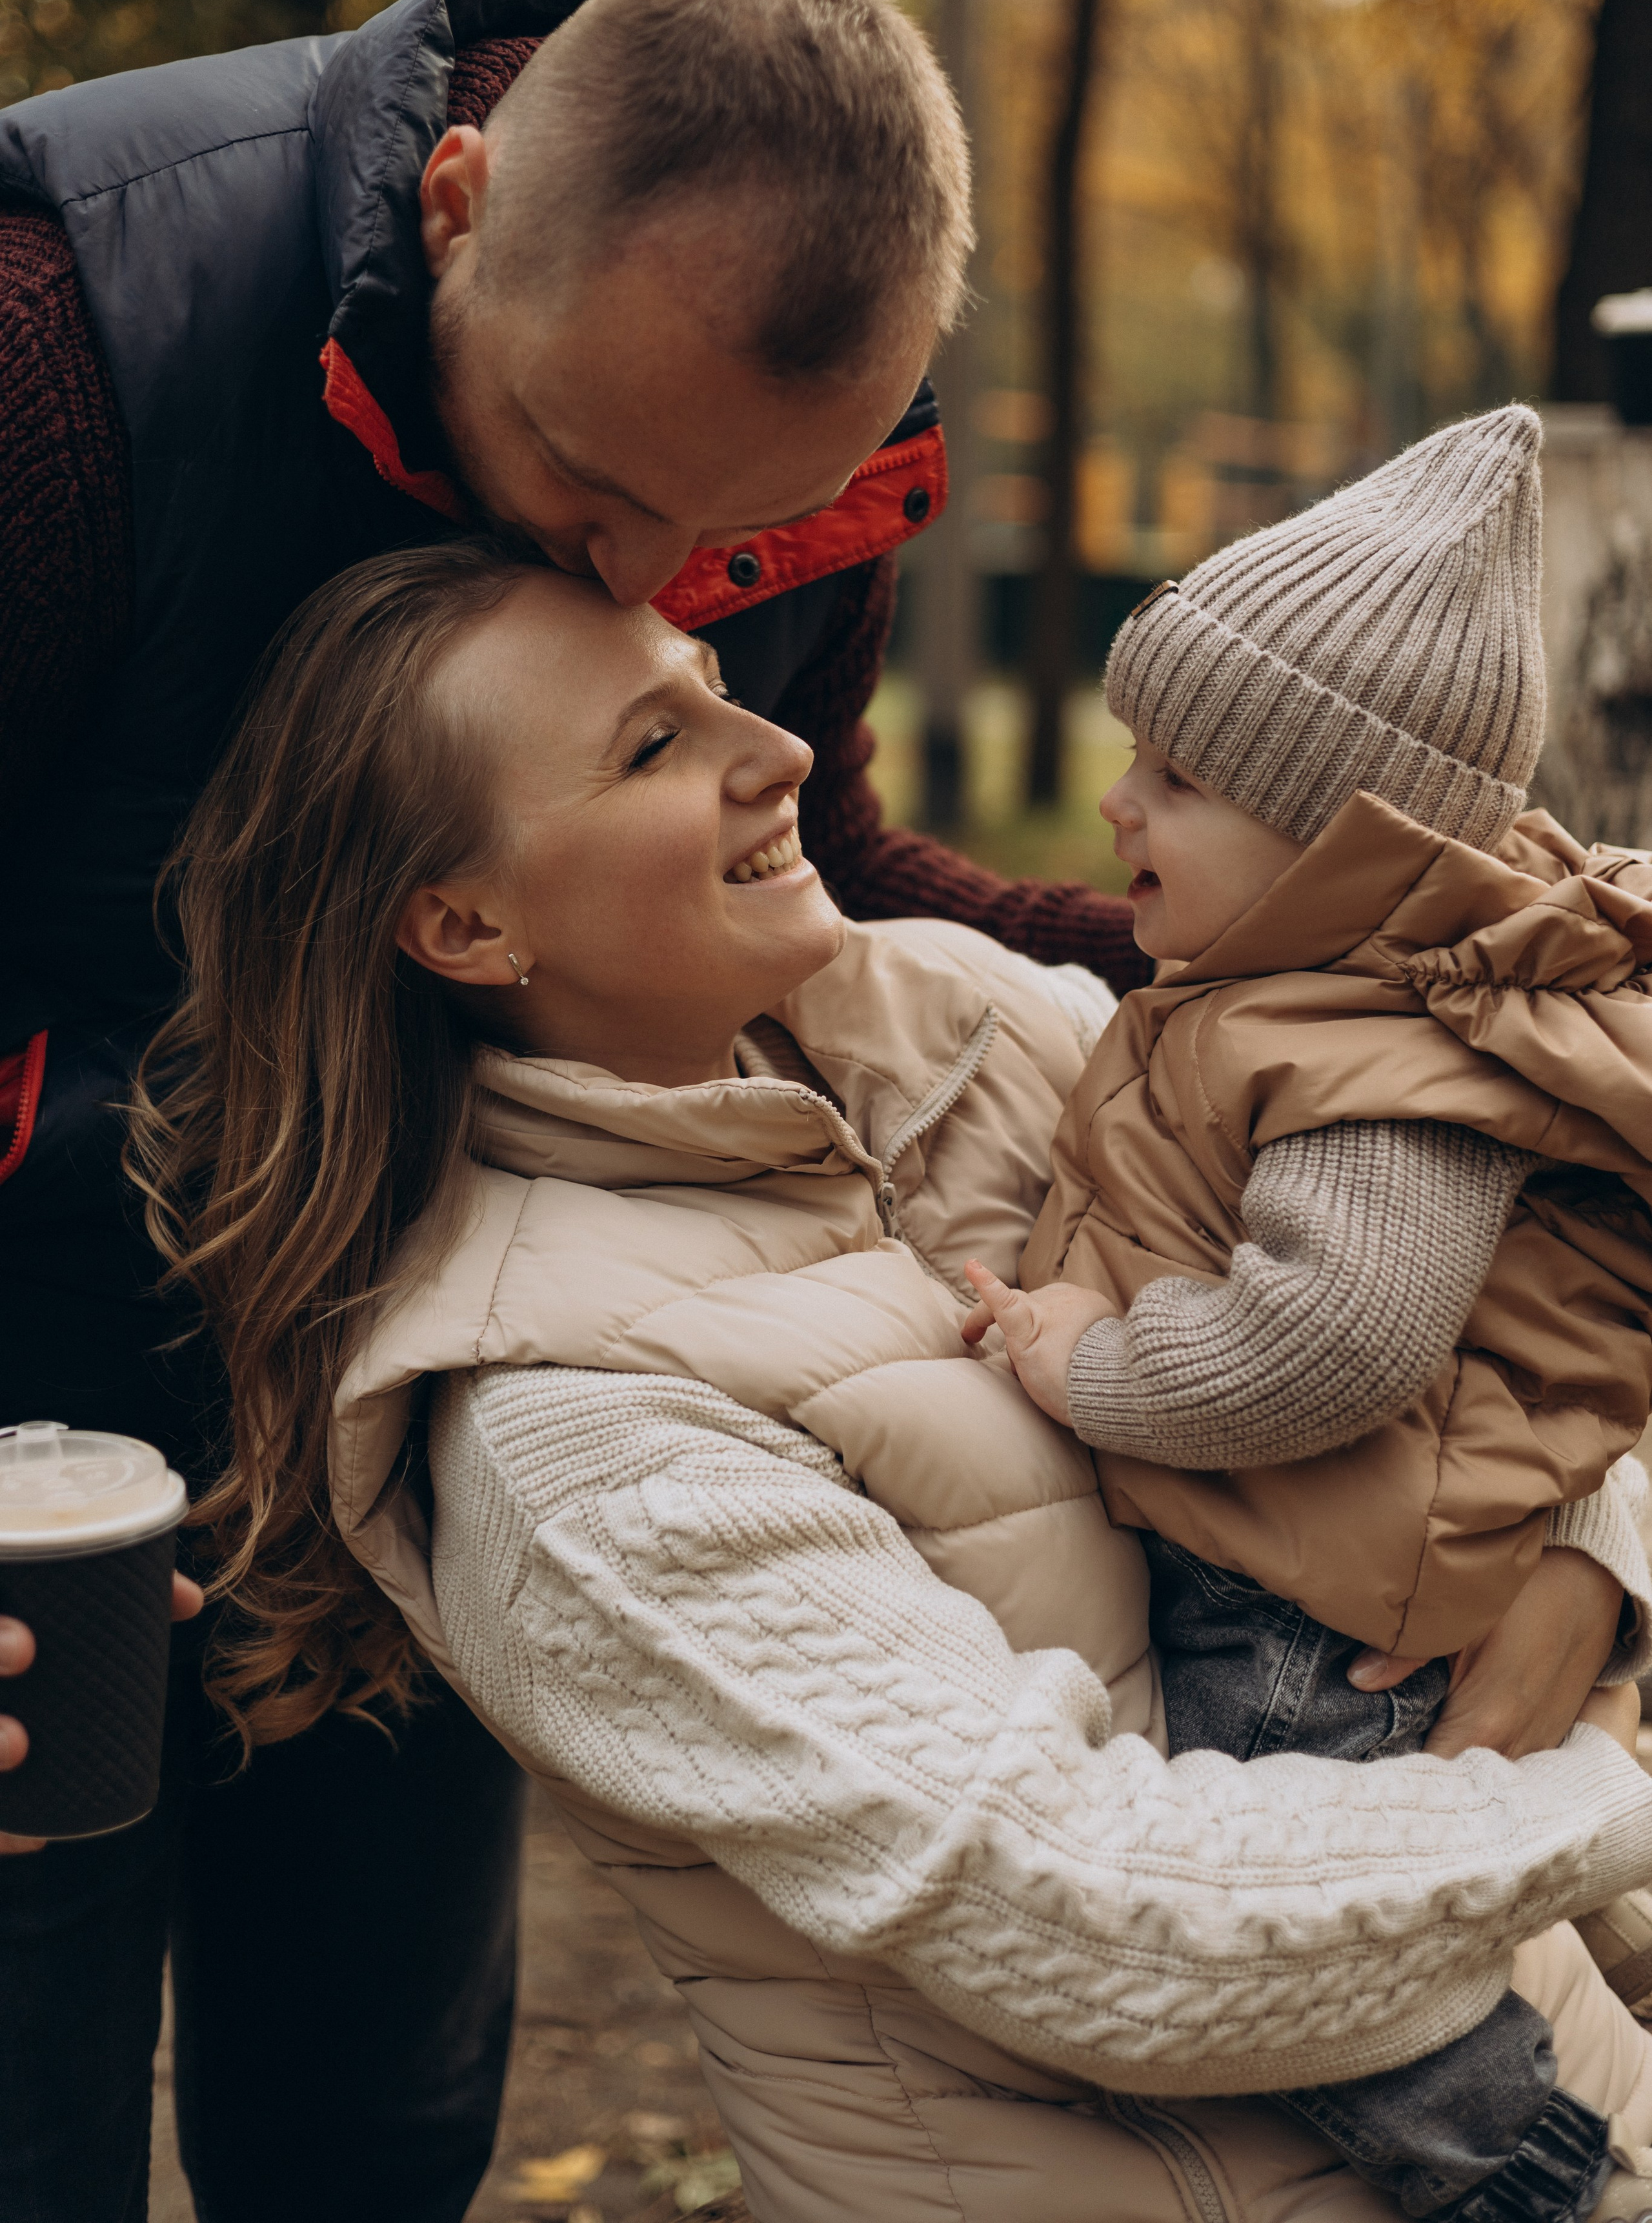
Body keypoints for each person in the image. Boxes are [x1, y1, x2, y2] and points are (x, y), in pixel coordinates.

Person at [0, 0, 1153, 2219]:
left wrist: (1247, 950)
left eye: (730, 544)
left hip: (418, 1343)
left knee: (374, 2127)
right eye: (595, 479)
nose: (649, 575)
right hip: (36, 1403)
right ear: (457, 203)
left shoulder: (763, 441)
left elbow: (814, 859)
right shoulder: (67, 345)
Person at [125, 534, 1652, 2223]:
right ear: (465, 922)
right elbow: (1096, 1921)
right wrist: (1593, 1789)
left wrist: (1591, 1552)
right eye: (655, 746)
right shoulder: (568, 1431)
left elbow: (1459, 1271)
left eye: (719, 685)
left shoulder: (967, 1020)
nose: (781, 750)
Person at [963, 405, 1652, 2223]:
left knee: (1282, 1924)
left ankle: (1509, 2165)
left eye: (1178, 779)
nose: (1118, 804)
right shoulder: (1301, 983)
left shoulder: (1375, 1064)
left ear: (1344, 843)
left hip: (1299, 1603)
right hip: (1300, 1550)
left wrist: (1086, 1369)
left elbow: (1338, 1341)